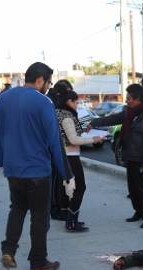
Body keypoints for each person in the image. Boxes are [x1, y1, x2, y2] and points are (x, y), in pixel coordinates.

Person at [0, 62, 71, 270]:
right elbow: (54, 141)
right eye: (48, 82)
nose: (48, 87)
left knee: (17, 209)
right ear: (40, 80)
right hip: (38, 171)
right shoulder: (43, 102)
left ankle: (9, 249)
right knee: (39, 216)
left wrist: (0, 161)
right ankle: (38, 262)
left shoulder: (3, 99)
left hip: (13, 169)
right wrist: (65, 173)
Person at [90, 84, 143, 229]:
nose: (127, 101)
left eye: (129, 99)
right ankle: (139, 212)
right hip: (130, 156)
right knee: (133, 188)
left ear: (138, 100)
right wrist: (93, 122)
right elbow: (112, 119)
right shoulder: (129, 112)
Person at [54, 89, 105, 232]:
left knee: (65, 188)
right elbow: (73, 139)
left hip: (62, 155)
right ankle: (71, 222)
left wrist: (82, 131)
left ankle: (68, 218)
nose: (77, 105)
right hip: (71, 156)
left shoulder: (57, 113)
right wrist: (93, 139)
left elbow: (68, 134)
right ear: (68, 102)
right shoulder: (67, 116)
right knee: (79, 188)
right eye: (75, 102)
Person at [47, 80, 75, 222]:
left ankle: (58, 207)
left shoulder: (53, 101)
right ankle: (54, 209)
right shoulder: (52, 103)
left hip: (56, 147)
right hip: (54, 148)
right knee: (56, 180)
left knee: (58, 180)